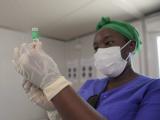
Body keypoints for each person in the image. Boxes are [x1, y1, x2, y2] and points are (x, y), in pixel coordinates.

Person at [13, 17, 160, 120]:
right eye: (96, 48)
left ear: (130, 46)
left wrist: (54, 83)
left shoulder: (153, 88)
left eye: (108, 43)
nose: (100, 51)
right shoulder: (91, 85)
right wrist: (55, 108)